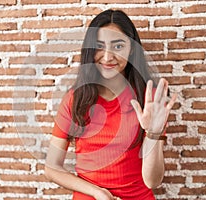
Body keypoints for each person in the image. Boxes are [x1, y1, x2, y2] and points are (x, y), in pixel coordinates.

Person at [44, 9, 177, 200]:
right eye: (99, 46)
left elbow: (152, 181)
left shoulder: (150, 100)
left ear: (131, 49)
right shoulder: (75, 99)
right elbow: (51, 168)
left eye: (118, 47)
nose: (107, 57)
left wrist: (153, 134)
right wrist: (98, 193)